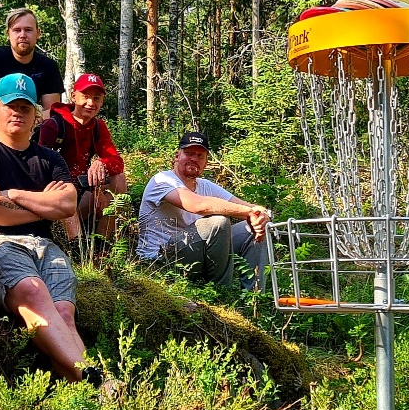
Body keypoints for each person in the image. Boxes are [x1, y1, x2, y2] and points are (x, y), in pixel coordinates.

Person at [0, 73, 100, 386]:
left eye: (25, 107)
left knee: (63, 314)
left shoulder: (50, 159)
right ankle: (96, 380)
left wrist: (15, 195)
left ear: (36, 114)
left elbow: (66, 206)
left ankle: (87, 389)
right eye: (10, 106)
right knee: (33, 292)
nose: (17, 113)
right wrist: (41, 205)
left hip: (45, 247)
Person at [137, 131, 270, 290]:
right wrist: (249, 212)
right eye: (189, 153)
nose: (194, 158)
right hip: (161, 259)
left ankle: (253, 298)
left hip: (195, 252)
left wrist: (260, 215)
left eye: (200, 156)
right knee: (218, 223)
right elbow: (198, 205)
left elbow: (247, 206)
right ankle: (221, 295)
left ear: (206, 162)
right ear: (177, 156)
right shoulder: (161, 180)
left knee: (255, 228)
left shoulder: (205, 185)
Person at [38, 73, 129, 245]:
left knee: (119, 180)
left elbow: (117, 162)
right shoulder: (54, 125)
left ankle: (101, 246)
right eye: (85, 97)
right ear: (73, 96)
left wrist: (101, 164)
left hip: (82, 194)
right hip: (54, 196)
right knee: (67, 189)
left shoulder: (97, 126)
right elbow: (42, 167)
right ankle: (77, 247)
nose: (91, 103)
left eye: (96, 98)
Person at [0, 7, 66, 137]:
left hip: (27, 126)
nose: (22, 35)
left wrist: (27, 120)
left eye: (28, 30)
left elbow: (51, 110)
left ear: (38, 33)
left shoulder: (48, 66)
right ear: (8, 34)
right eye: (17, 30)